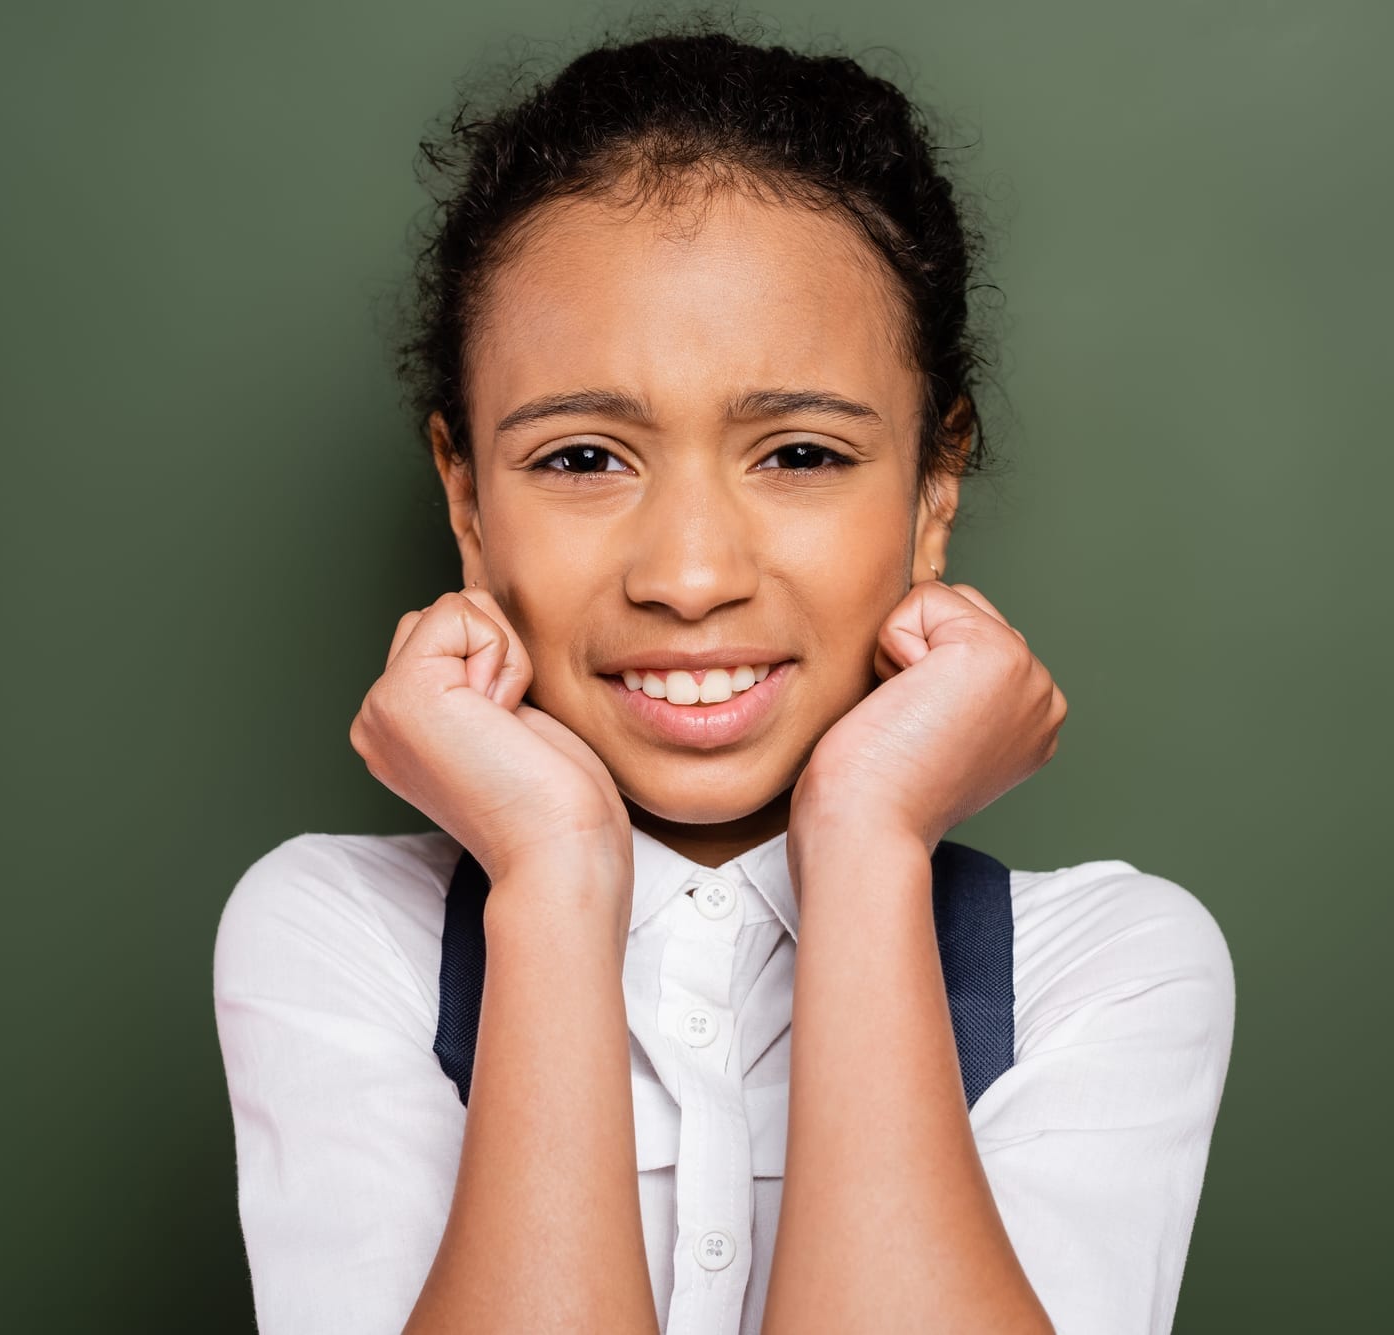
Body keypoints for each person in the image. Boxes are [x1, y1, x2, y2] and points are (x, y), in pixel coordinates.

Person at [213, 18, 1234, 1335]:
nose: (690, 577)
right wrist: (551, 868)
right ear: (465, 496)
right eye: (583, 458)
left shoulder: (1101, 974)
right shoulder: (345, 946)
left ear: (935, 486)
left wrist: (868, 845)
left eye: (800, 453)